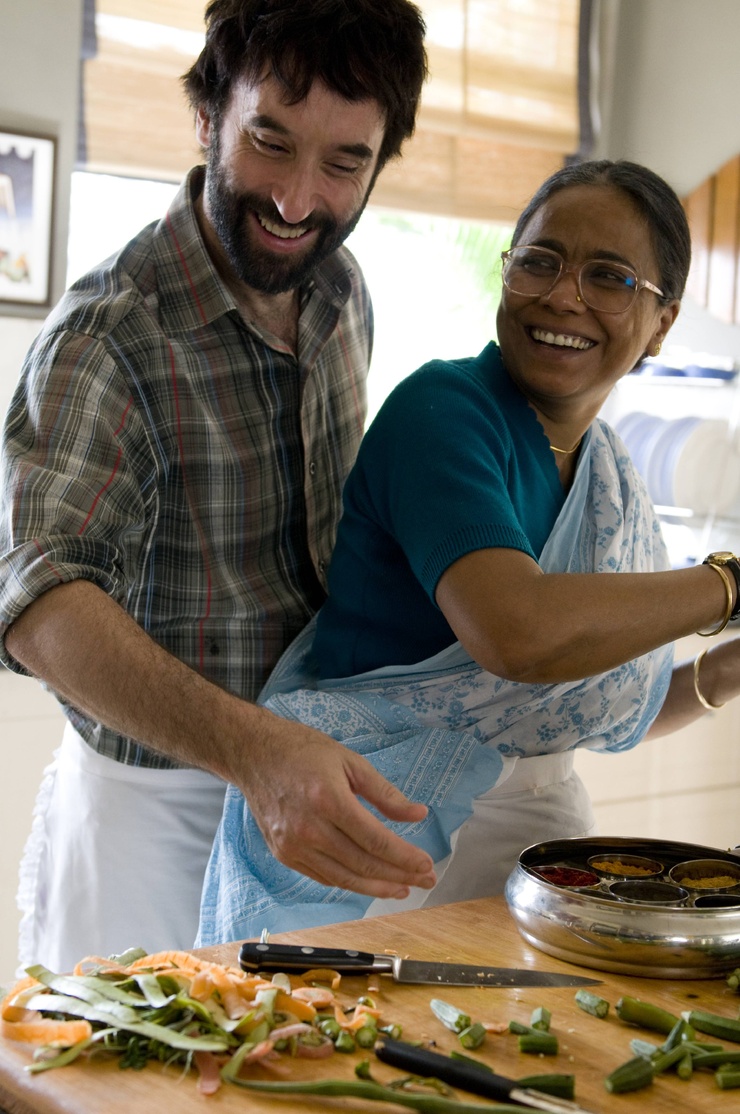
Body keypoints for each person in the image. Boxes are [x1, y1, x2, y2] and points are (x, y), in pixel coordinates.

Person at [198, 158, 740, 945]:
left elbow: (585, 704)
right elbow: (517, 635)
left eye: (610, 277)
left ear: (661, 323)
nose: (563, 295)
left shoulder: (608, 473)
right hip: (371, 837)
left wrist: (720, 675)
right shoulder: (443, 413)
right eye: (540, 262)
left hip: (533, 851)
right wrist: (727, 583)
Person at [0, 0, 435, 975]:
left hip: (309, 792)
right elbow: (37, 603)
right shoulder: (108, 336)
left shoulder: (339, 290)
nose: (295, 198)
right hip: (150, 809)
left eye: (342, 163)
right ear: (207, 119)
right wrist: (252, 752)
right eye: (269, 142)